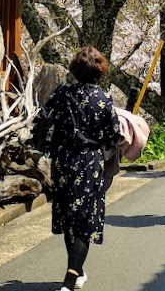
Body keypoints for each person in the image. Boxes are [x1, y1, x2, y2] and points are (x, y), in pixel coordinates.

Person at [41, 47, 123, 291]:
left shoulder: (63, 93)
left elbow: (43, 118)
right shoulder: (103, 98)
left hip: (63, 161)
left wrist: (44, 146)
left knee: (69, 218)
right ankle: (70, 281)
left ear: (75, 70)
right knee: (85, 222)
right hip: (89, 164)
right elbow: (113, 134)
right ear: (99, 70)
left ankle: (76, 272)